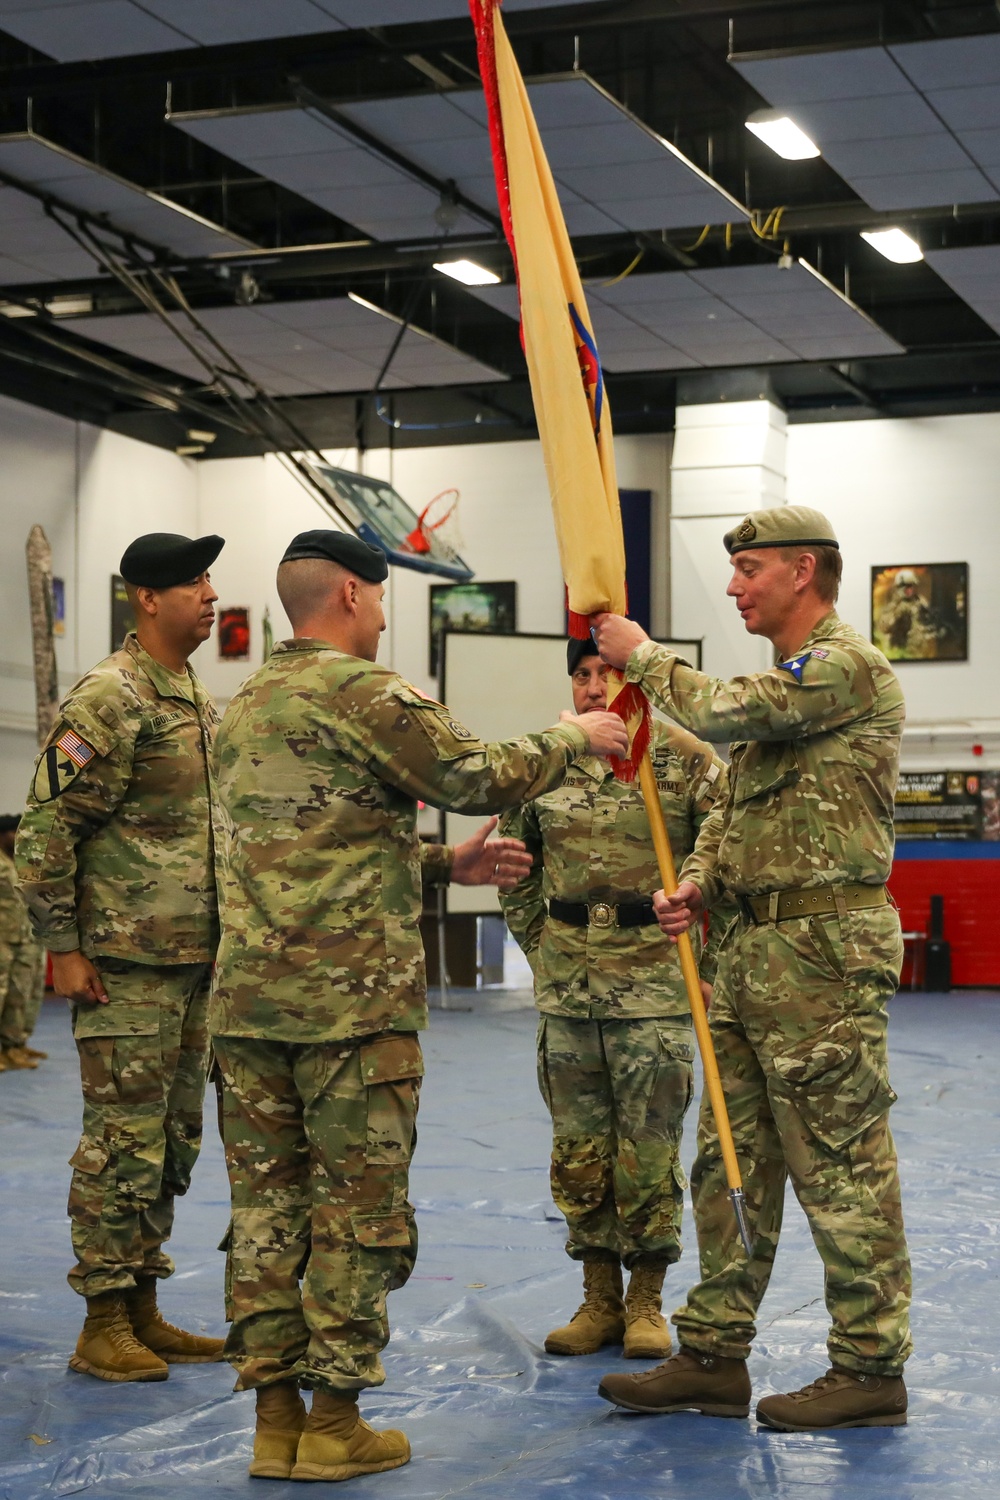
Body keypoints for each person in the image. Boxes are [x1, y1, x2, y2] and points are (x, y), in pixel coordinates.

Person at [210, 529, 630, 1485]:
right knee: (358, 1212)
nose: (386, 613)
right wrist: (578, 737)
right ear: (354, 594)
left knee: (268, 1214)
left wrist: (450, 864)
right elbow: (472, 775)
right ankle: (335, 1422)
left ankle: (275, 1424)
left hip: (248, 1008)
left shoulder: (242, 706)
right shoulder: (366, 691)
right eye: (384, 596)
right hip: (350, 1013)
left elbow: (308, 844)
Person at [591, 505, 912, 1433]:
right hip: (744, 957)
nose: (734, 586)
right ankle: (713, 1353)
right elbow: (732, 811)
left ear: (804, 571)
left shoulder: (844, 667)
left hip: (822, 959)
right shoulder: (787, 686)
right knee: (728, 1161)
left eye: (750, 570)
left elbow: (731, 710)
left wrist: (644, 655)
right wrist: (694, 884)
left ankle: (869, 1367)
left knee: (843, 1164)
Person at [16, 532, 230, 1383]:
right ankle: (101, 1321)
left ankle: (142, 1304)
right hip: (126, 962)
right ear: (147, 598)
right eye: (193, 582)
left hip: (191, 961)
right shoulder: (111, 696)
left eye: (211, 578)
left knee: (171, 1139)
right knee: (120, 1140)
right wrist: (63, 949)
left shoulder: (193, 697)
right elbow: (45, 831)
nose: (211, 594)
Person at [498, 637, 731, 1361]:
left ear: (634, 681)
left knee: (649, 1151)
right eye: (582, 675)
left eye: (605, 674)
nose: (593, 688)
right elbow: (514, 863)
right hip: (569, 989)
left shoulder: (682, 756)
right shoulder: (548, 757)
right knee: (579, 1150)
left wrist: (692, 891)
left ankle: (645, 1303)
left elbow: (723, 836)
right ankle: (597, 1297)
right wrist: (542, 948)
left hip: (653, 988)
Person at [0, 813, 46, 1071]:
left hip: (22, 936)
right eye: (12, 832)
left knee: (20, 994)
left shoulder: (18, 862)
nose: (17, 837)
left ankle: (14, 1045)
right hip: (2, 939)